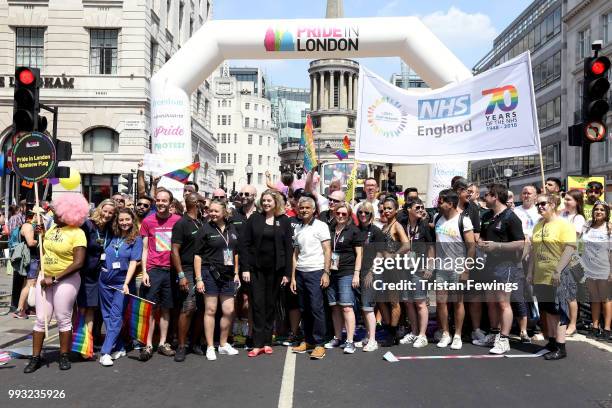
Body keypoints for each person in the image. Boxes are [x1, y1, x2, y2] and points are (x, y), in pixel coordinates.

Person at [24, 194, 88, 373]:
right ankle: (35, 357)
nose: (54, 214)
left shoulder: (77, 233)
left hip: (66, 280)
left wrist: (56, 278)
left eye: (58, 213)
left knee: (63, 318)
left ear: (69, 214)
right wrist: (42, 235)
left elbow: (78, 262)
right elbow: (45, 252)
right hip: (45, 279)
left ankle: (64, 356)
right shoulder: (52, 228)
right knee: (40, 319)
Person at [241, 190, 293, 357]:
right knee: (257, 305)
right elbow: (244, 245)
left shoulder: (284, 221)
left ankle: (266, 341)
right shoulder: (254, 219)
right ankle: (256, 344)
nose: (266, 203)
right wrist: (246, 268)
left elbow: (288, 248)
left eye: (269, 200)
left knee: (271, 305)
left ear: (276, 202)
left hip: (276, 271)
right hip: (256, 270)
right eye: (264, 201)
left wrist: (287, 273)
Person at [475, 184, 525, 354]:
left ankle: (504, 339)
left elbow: (520, 243)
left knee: (504, 303)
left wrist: (497, 246)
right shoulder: (488, 215)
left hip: (506, 265)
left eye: (486, 195)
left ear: (495, 196)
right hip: (490, 264)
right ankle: (494, 334)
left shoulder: (511, 217)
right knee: (491, 302)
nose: (484, 198)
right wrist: (481, 243)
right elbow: (482, 236)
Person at [528, 194, 577, 360]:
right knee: (547, 309)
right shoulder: (538, 225)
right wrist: (530, 272)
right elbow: (534, 251)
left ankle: (561, 347)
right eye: (537, 205)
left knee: (559, 310)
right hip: (541, 274)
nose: (540, 207)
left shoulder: (564, 225)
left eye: (543, 204)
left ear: (553, 204)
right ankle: (553, 341)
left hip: (558, 274)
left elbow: (569, 249)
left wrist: (558, 271)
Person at [194, 200, 241, 360]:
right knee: (211, 310)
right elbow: (197, 255)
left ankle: (222, 344)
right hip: (210, 274)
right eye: (210, 211)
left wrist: (236, 272)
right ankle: (210, 346)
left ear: (224, 212)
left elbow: (235, 252)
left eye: (216, 211)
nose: (212, 214)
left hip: (228, 275)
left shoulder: (231, 227)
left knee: (228, 310)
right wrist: (199, 278)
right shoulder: (205, 229)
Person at [139, 188, 181, 361]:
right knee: (150, 309)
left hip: (171, 271)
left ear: (170, 203)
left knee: (166, 308)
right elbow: (144, 249)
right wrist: (144, 272)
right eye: (159, 200)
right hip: (154, 270)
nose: (161, 203)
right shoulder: (148, 221)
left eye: (165, 201)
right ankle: (148, 344)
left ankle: (163, 343)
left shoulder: (178, 221)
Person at [98, 209, 142, 366]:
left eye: (127, 219)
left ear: (133, 220)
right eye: (121, 220)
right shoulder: (112, 235)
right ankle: (120, 346)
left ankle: (105, 352)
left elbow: (133, 263)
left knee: (116, 316)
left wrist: (126, 283)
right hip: (104, 281)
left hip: (122, 283)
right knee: (107, 316)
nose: (124, 223)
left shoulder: (136, 239)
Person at [434, 189, 476, 350]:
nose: (438, 204)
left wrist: (466, 269)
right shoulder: (438, 219)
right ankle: (446, 333)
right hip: (442, 268)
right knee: (441, 302)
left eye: (440, 201)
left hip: (458, 267)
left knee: (458, 302)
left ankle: (457, 335)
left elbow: (471, 247)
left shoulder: (463, 221)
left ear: (450, 204)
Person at [290, 196, 331, 360]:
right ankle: (308, 341)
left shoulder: (321, 226)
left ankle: (320, 344)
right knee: (304, 308)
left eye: (307, 208)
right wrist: (293, 277)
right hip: (300, 272)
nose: (304, 210)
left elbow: (327, 249)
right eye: (302, 208)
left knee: (316, 308)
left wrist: (326, 272)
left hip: (316, 271)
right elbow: (295, 254)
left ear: (314, 210)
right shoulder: (298, 228)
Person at [323, 203, 363, 354]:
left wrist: (356, 274)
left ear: (348, 216)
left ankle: (350, 341)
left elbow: (359, 254)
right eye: (338, 213)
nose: (340, 216)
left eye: (344, 214)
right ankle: (337, 337)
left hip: (347, 272)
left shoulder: (353, 230)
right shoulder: (330, 229)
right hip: (332, 272)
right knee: (335, 306)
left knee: (347, 306)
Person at [171, 193, 205, 362]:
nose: (204, 205)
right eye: (202, 202)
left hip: (204, 269)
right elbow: (175, 250)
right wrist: (181, 274)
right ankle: (181, 345)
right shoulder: (181, 224)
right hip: (187, 269)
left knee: (201, 307)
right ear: (194, 203)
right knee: (189, 306)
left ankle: (196, 343)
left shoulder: (202, 222)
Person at [79, 199, 116, 347]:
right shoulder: (88, 225)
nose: (107, 215)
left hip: (99, 274)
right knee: (82, 307)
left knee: (92, 308)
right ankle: (78, 341)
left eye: (110, 213)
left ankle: (87, 344)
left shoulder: (109, 229)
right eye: (105, 211)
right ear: (99, 209)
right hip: (84, 273)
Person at [398, 198, 433, 349]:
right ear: (408, 210)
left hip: (420, 268)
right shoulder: (402, 224)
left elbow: (432, 248)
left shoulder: (424, 225)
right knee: (408, 302)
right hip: (405, 268)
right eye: (417, 207)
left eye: (422, 207)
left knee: (420, 302)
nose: (420, 210)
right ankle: (414, 331)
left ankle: (422, 335)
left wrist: (430, 267)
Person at [378, 197, 410, 347]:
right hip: (383, 268)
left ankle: (392, 334)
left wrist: (393, 256)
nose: (386, 210)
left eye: (389, 208)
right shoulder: (385, 226)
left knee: (394, 301)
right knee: (382, 300)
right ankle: (390, 328)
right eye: (384, 208)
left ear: (396, 210)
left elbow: (406, 245)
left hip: (394, 268)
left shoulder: (396, 226)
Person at [355, 202, 385, 351]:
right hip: (360, 271)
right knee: (364, 307)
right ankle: (368, 336)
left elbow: (380, 254)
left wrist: (371, 272)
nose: (363, 215)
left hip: (372, 272)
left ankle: (373, 340)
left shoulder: (376, 231)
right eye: (360, 212)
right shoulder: (356, 230)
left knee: (368, 307)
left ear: (371, 214)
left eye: (366, 213)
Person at [580, 202, 612, 341]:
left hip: (604, 268)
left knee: (605, 299)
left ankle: (607, 329)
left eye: (602, 210)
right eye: (596, 209)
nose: (598, 212)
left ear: (606, 213)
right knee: (594, 299)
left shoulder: (609, 228)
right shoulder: (587, 226)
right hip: (589, 268)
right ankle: (595, 326)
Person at [560, 189, 586, 336]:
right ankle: (562, 321)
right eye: (565, 199)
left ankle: (573, 324)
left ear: (577, 202)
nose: (566, 202)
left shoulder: (578, 218)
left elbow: (572, 237)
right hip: (557, 257)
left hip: (570, 259)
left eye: (569, 199)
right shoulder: (562, 214)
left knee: (570, 293)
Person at [13, 210, 40, 319]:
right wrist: (40, 241)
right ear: (34, 215)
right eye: (40, 216)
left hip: (32, 258)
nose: (41, 218)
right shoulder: (28, 227)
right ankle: (20, 310)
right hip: (31, 258)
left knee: (27, 284)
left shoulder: (30, 226)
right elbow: (30, 242)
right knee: (30, 284)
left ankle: (25, 309)